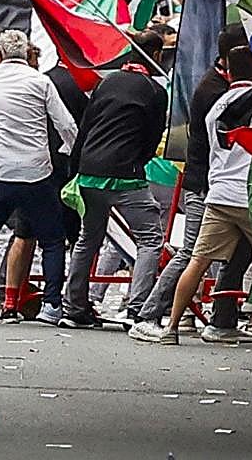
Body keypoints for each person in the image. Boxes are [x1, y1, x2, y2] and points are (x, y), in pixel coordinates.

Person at [129, 23, 252, 343]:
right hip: (205, 184)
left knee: (238, 253)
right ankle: (149, 313)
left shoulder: (221, 88)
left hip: (217, 186)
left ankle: (221, 319)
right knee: (193, 254)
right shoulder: (215, 92)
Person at [0, 29, 77, 325]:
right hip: (36, 173)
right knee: (52, 240)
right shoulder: (40, 81)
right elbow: (66, 124)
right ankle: (51, 305)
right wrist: (70, 152)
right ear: (26, 54)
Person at [61, 30, 169, 329]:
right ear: (156, 55)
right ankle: (137, 308)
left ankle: (74, 307)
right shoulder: (155, 91)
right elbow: (153, 137)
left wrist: (77, 169)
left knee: (88, 239)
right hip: (126, 176)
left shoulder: (105, 83)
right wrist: (138, 162)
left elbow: (85, 128)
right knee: (150, 239)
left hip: (89, 172)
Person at [160, 46, 252, 345]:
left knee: (197, 261)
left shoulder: (216, 106)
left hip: (218, 195)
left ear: (227, 72)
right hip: (249, 194)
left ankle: (172, 326)